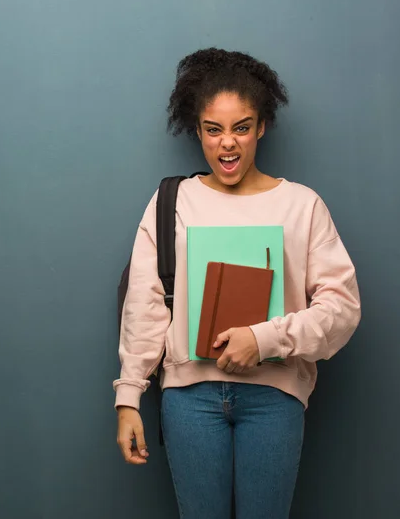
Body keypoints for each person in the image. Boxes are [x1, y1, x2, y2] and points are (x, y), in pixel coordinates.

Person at [113, 47, 361, 519]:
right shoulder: (172, 201)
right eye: (214, 129)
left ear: (261, 126)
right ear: (198, 130)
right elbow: (145, 305)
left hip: (273, 396)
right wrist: (128, 396)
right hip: (188, 399)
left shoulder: (301, 206)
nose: (228, 144)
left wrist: (264, 337)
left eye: (241, 127)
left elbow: (342, 310)